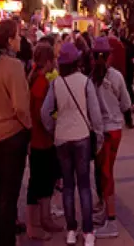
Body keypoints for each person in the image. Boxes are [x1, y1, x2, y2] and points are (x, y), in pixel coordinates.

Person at [41, 43, 104, 246]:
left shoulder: (55, 84)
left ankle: (70, 230)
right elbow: (95, 113)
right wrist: (99, 135)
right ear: (76, 61)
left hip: (62, 139)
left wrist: (53, 128)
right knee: (84, 186)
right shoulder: (85, 82)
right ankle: (88, 232)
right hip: (82, 137)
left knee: (68, 186)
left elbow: (45, 112)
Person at [0, 19, 32, 246]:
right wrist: (27, 126)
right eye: (18, 35)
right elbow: (21, 106)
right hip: (11, 134)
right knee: (9, 196)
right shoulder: (14, 66)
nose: (20, 40)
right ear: (10, 40)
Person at [91, 37, 132, 239]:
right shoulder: (116, 77)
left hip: (100, 132)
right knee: (106, 172)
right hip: (115, 129)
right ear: (110, 56)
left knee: (105, 173)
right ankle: (106, 210)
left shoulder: (90, 79)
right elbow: (126, 103)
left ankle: (112, 219)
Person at [26, 43, 62, 240]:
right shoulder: (40, 82)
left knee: (46, 180)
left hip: (41, 140)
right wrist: (54, 127)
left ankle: (45, 217)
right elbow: (43, 114)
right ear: (48, 61)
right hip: (40, 140)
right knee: (38, 182)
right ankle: (34, 224)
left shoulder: (36, 78)